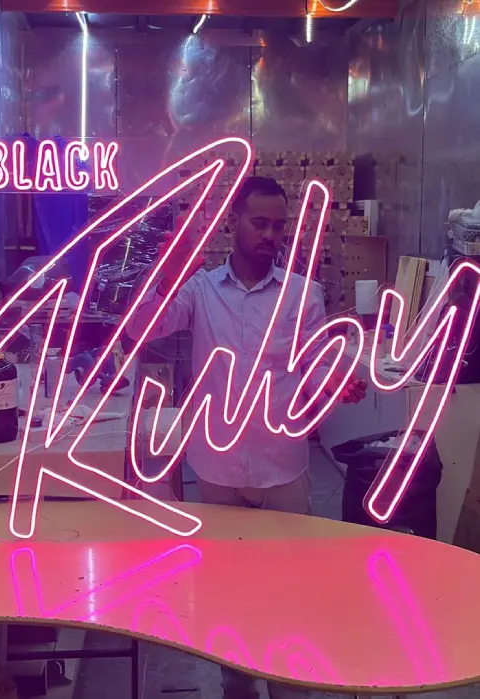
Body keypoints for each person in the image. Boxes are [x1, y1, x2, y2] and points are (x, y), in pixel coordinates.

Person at [127, 176, 366, 699]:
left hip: (284, 469)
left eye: (279, 226)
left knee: (290, 592)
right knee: (227, 593)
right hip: (219, 470)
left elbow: (312, 364)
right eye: (259, 223)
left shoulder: (304, 294)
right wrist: (165, 274)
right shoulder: (200, 290)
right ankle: (237, 685)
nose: (270, 235)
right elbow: (143, 327)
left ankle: (289, 685)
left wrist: (334, 379)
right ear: (235, 221)